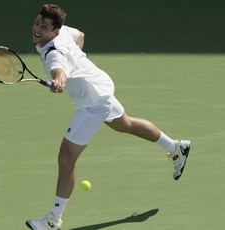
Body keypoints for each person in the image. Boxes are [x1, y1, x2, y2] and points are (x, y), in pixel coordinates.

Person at [26, 4, 191, 230]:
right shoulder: (64, 31)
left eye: (44, 27)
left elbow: (59, 69)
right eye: (37, 23)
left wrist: (61, 79)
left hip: (93, 102)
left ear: (54, 32)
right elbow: (80, 36)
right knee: (125, 124)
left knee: (66, 157)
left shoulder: (54, 53)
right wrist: (78, 62)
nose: (37, 29)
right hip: (100, 84)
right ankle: (176, 147)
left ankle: (53, 220)